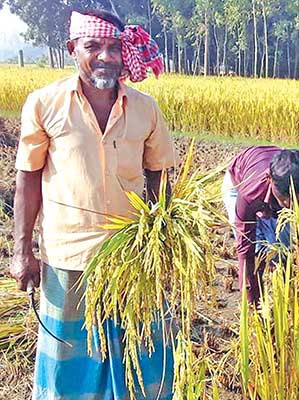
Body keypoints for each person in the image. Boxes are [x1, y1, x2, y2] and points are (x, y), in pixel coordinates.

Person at [11, 9, 177, 400]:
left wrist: (161, 237)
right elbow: (27, 178)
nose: (105, 56)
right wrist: (22, 251)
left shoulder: (145, 108)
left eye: (113, 47)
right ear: (72, 49)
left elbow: (161, 174)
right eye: (93, 46)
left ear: (124, 52)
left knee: (141, 353)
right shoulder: (44, 104)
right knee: (70, 361)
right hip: (69, 255)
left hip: (133, 257)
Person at [221, 146, 299, 306]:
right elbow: (244, 249)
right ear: (269, 179)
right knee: (257, 253)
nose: (289, 205)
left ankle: (285, 300)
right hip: (238, 183)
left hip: (271, 196)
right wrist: (250, 303)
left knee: (282, 251)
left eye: (295, 198)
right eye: (285, 198)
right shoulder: (249, 193)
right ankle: (258, 305)